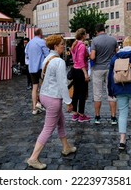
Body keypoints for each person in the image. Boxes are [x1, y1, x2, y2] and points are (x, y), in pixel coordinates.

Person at [26, 35, 75, 169]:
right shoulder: (59, 61)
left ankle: (66, 147)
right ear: (55, 46)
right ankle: (33, 158)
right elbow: (62, 84)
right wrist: (68, 102)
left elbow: (44, 76)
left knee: (61, 122)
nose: (63, 46)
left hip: (45, 95)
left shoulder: (47, 58)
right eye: (61, 44)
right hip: (53, 97)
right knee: (48, 129)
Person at [89, 23, 118, 125]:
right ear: (104, 30)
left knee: (97, 94)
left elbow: (92, 57)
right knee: (111, 93)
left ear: (97, 31)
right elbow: (117, 54)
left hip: (98, 69)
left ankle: (97, 116)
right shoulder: (113, 40)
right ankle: (113, 117)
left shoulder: (95, 41)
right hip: (110, 68)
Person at [25, 28, 49, 115]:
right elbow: (47, 55)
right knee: (44, 86)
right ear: (40, 33)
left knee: (34, 88)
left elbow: (26, 55)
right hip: (40, 68)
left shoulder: (29, 43)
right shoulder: (42, 42)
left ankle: (34, 108)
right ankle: (42, 104)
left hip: (31, 68)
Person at [70, 28, 91, 123]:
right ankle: (81, 115)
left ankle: (75, 113)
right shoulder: (82, 46)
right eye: (85, 34)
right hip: (81, 71)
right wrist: (85, 73)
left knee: (75, 92)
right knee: (82, 93)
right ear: (83, 36)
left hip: (74, 69)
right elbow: (81, 60)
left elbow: (76, 59)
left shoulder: (74, 44)